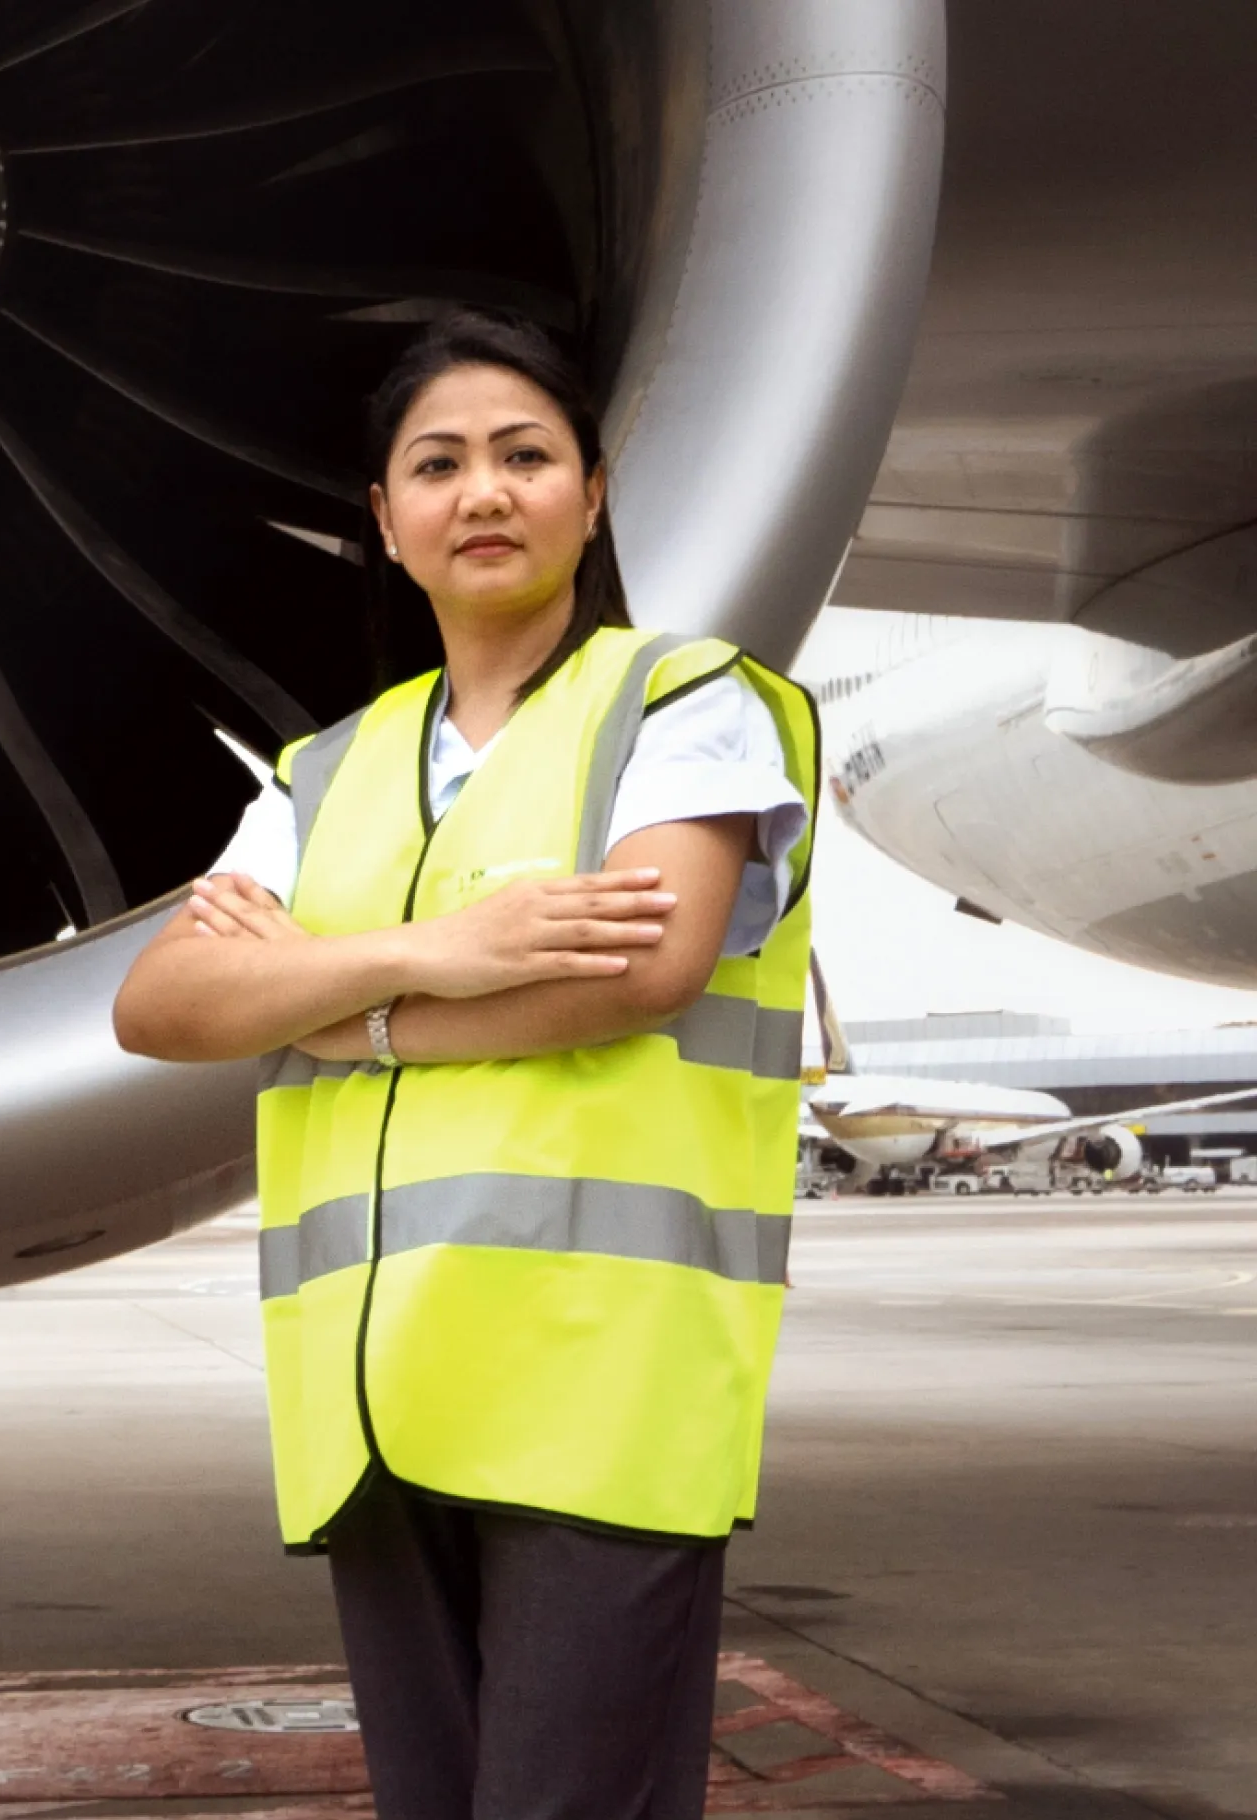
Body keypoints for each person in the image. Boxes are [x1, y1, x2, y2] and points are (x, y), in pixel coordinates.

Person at [112, 310, 818, 1820]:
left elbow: (640, 967)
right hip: (378, 1402)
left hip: (596, 1390)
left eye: (524, 455)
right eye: (438, 464)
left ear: (594, 489)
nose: (482, 493)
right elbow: (162, 1003)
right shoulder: (328, 770)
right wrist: (425, 958)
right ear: (385, 517)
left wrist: (311, 1006)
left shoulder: (682, 707)